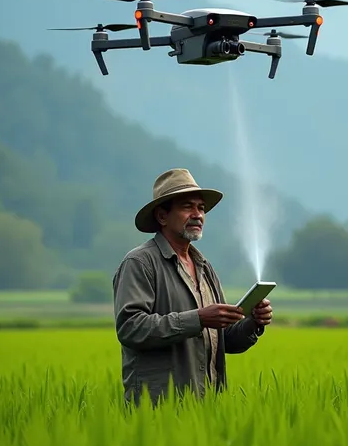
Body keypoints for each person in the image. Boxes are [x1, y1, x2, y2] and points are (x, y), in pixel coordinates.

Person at [112, 168, 272, 406]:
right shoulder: (140, 263)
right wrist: (197, 319)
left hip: (206, 407)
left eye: (202, 208)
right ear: (162, 216)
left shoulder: (204, 268)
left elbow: (223, 339)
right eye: (188, 207)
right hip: (157, 409)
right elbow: (130, 328)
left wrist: (252, 322)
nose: (197, 214)